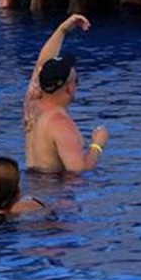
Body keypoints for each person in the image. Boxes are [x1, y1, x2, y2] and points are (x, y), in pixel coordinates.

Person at [23, 14, 108, 173]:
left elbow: (41, 65)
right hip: (54, 194)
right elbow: (77, 172)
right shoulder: (61, 123)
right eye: (77, 81)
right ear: (69, 88)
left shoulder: (31, 106)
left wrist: (63, 29)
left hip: (34, 187)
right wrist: (97, 145)